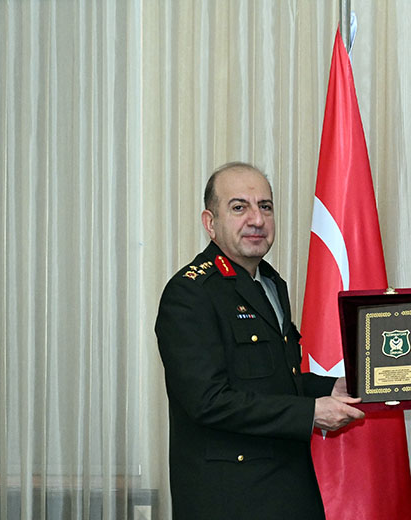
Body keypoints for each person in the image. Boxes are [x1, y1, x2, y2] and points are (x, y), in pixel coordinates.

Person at [155, 162, 364, 519]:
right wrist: (310, 413)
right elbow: (208, 401)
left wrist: (331, 388)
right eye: (239, 207)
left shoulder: (269, 283)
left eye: (265, 206)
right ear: (210, 223)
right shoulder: (190, 293)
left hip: (288, 489)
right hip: (231, 499)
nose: (256, 219)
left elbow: (273, 381)